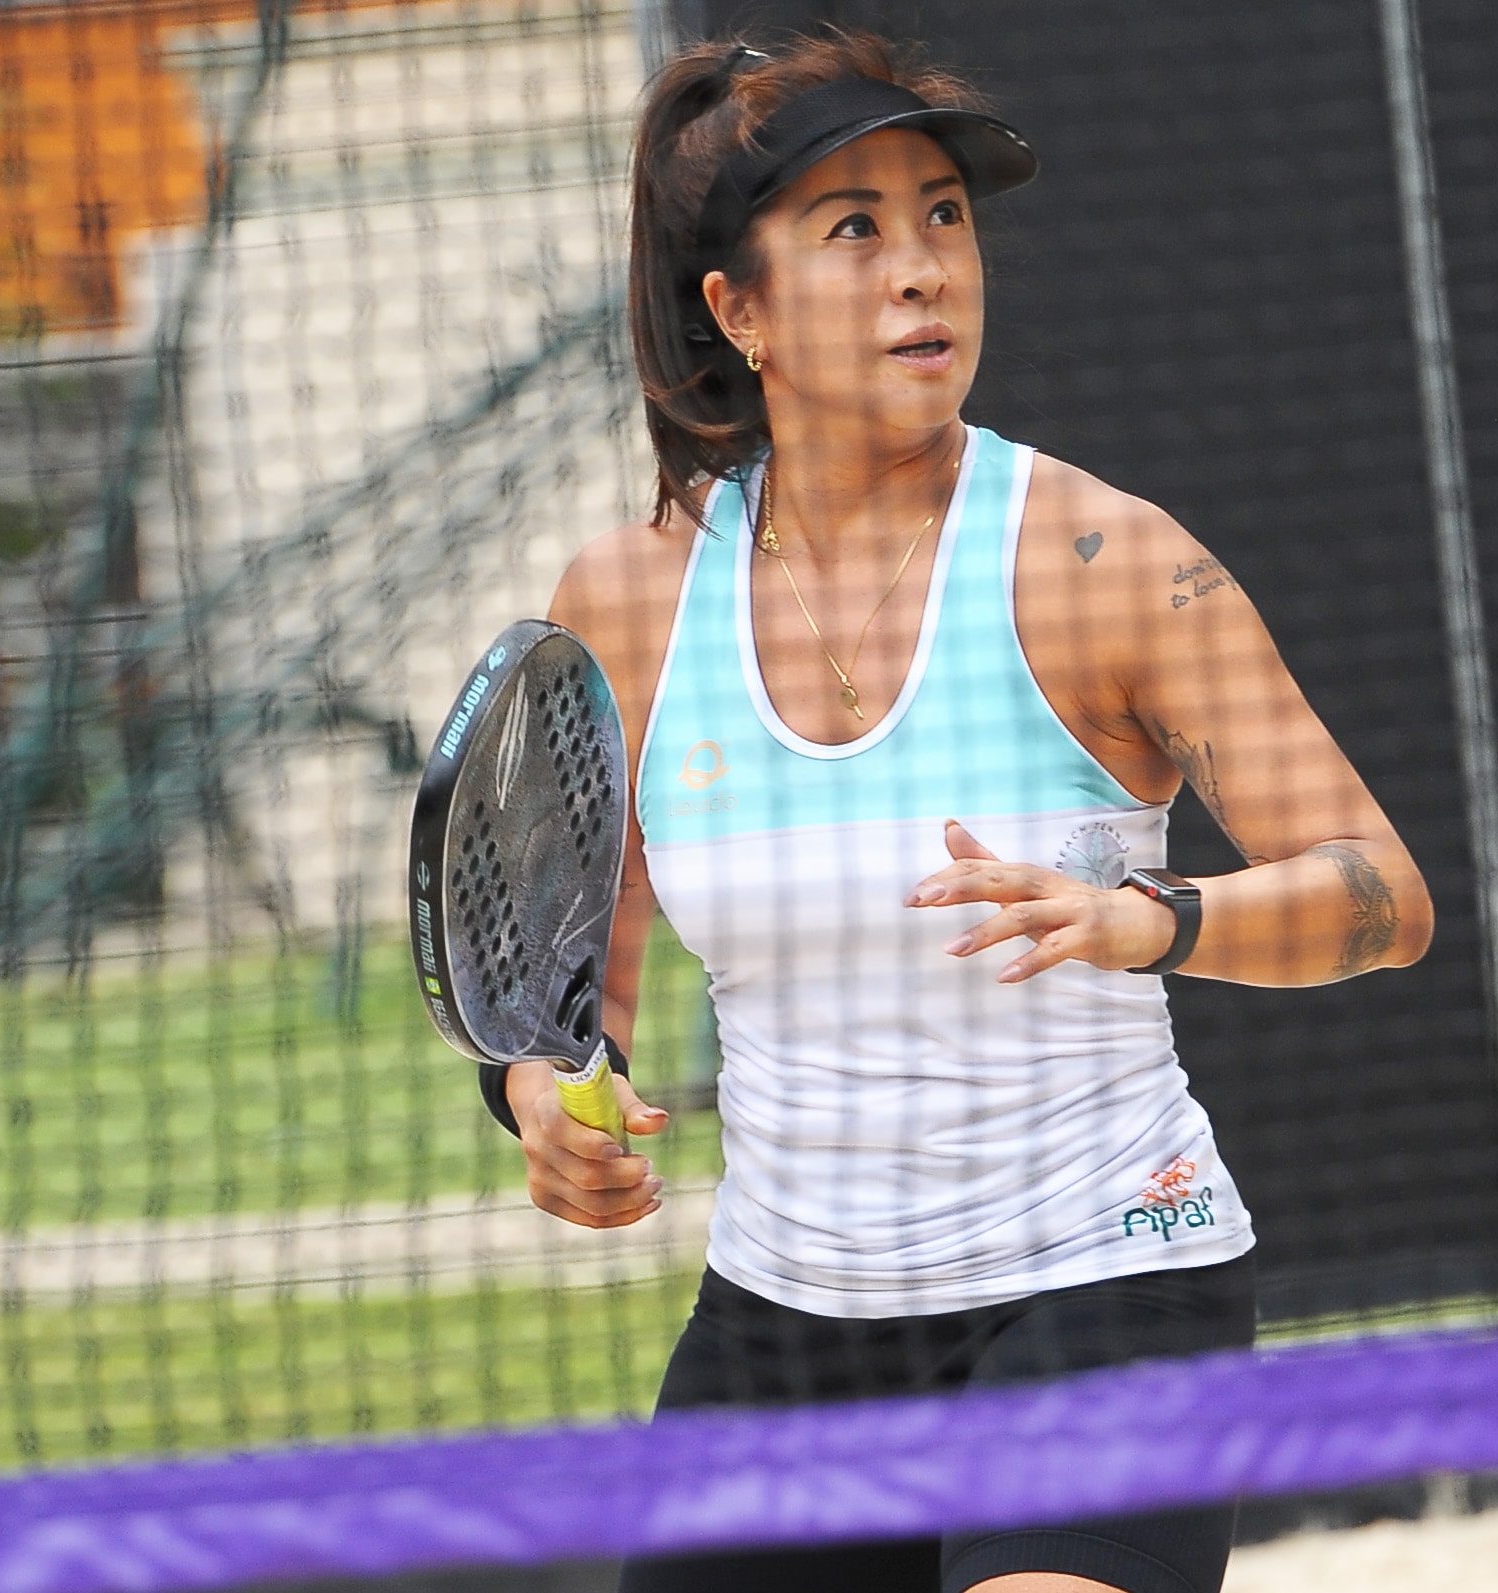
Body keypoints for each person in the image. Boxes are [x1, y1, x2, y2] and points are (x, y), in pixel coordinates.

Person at [519, 30, 1433, 1593]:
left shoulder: (1107, 561)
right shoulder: (630, 601)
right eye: (854, 228)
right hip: (790, 1332)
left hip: (1100, 1287)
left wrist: (1161, 920)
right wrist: (551, 1107)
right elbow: (564, 1000)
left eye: (944, 216)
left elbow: (1380, 896)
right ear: (737, 312)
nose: (924, 269)